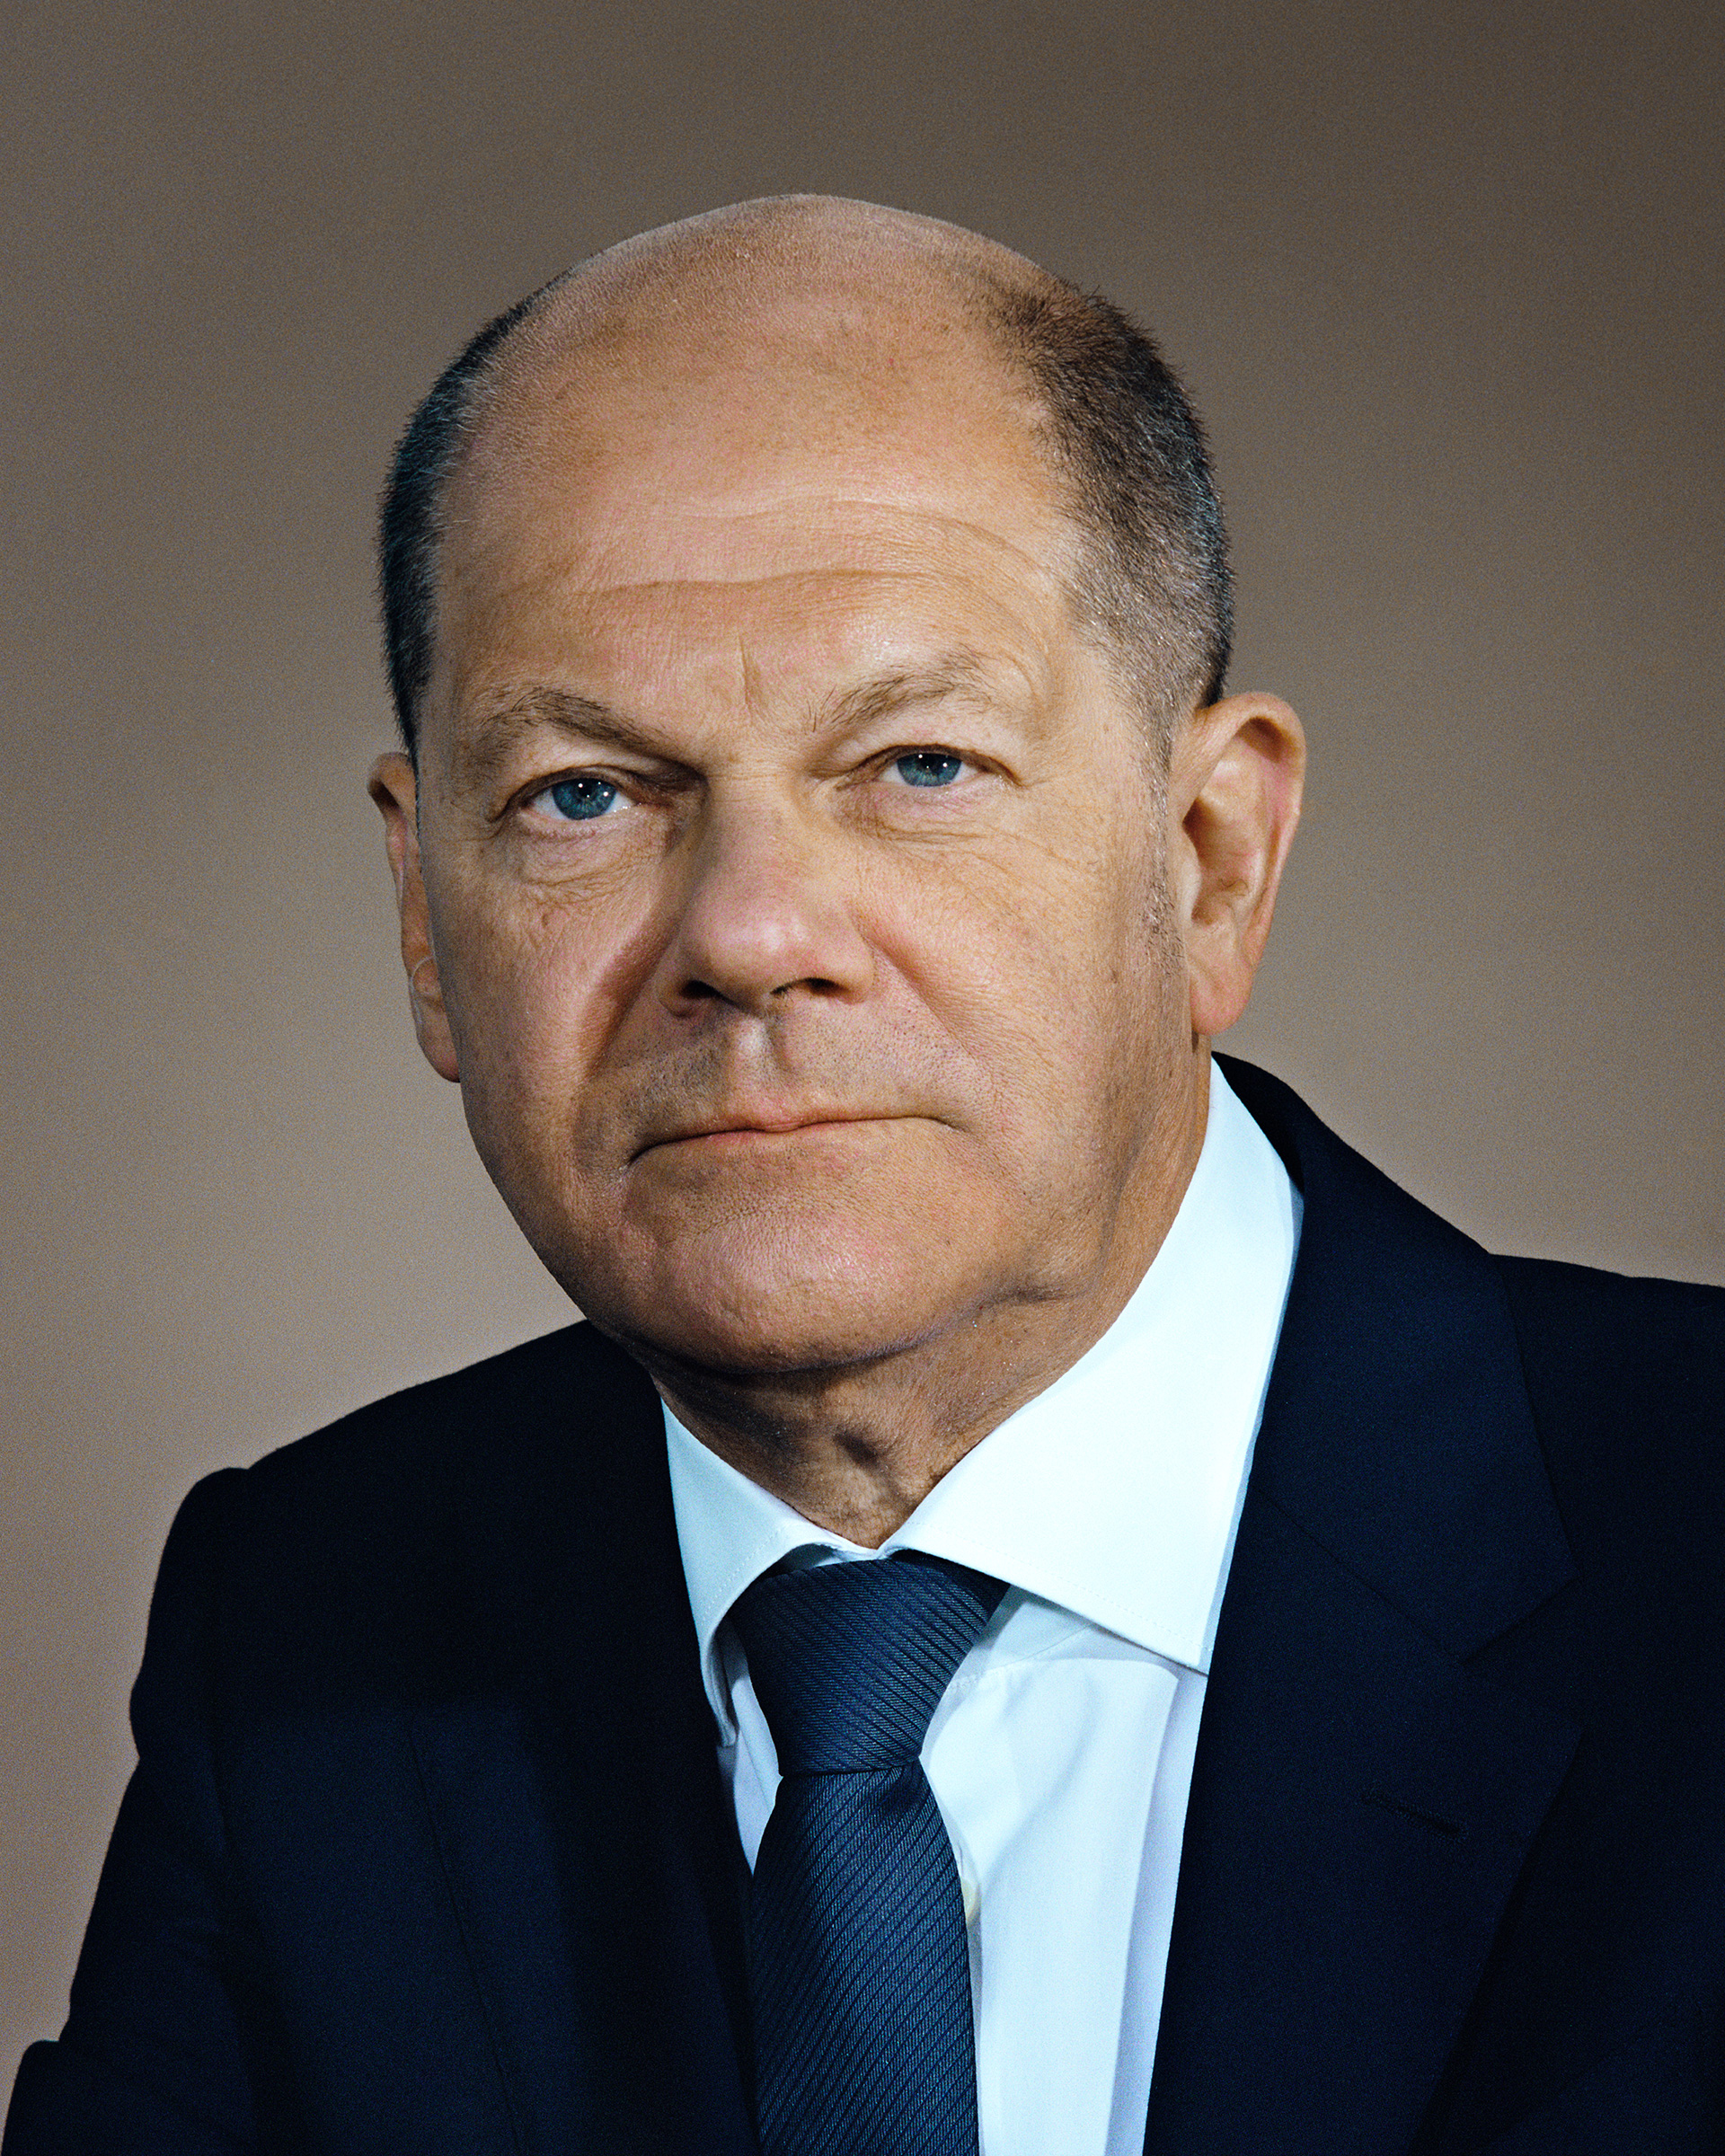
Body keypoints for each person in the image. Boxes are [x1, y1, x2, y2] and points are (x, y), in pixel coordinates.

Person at [5, 195, 1722, 2156]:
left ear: (1208, 857)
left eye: (918, 765)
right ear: (425, 926)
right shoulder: (311, 1636)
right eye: (585, 794)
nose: (746, 932)